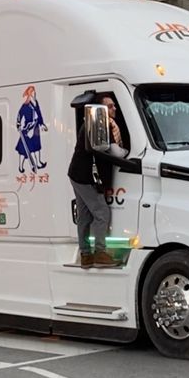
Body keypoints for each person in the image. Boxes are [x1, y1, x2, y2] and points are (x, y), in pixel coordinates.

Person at [67, 92, 128, 267]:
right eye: (110, 106)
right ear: (100, 109)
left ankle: (86, 255)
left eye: (114, 105)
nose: (114, 108)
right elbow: (116, 152)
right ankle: (100, 253)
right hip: (85, 177)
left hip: (77, 174)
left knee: (85, 216)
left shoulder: (93, 124)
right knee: (102, 213)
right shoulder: (100, 125)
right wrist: (126, 154)